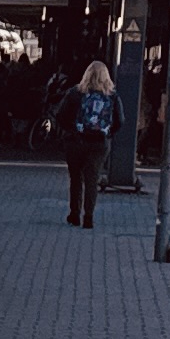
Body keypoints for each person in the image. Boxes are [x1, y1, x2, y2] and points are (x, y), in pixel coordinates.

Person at [61, 57, 115, 227]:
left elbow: (61, 115)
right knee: (92, 179)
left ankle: (74, 214)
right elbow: (120, 119)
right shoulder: (111, 95)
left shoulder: (74, 93)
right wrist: (107, 134)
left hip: (76, 142)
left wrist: (71, 131)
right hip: (99, 143)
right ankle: (89, 217)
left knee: (76, 178)